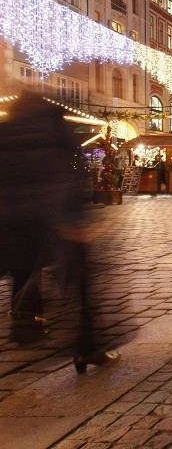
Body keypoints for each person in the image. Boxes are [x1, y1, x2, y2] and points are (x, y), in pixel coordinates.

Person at [0, 89, 119, 370]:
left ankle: (25, 328)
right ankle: (86, 346)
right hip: (52, 218)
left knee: (23, 271)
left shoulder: (5, 132)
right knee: (81, 282)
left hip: (11, 220)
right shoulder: (54, 130)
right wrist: (72, 219)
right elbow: (64, 175)